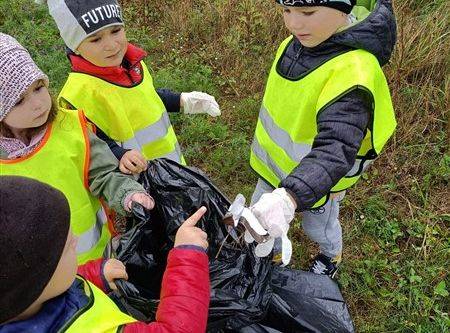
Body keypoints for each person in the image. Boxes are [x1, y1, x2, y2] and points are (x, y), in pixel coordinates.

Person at [249, 0, 397, 277]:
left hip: (320, 181)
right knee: (262, 219)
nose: (293, 24)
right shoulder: (295, 44)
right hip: (273, 167)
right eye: (286, 11)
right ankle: (275, 253)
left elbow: (336, 147)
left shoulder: (353, 71)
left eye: (307, 13)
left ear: (343, 10)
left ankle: (331, 255)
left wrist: (290, 196)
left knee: (317, 227)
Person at [0, 33, 154, 264]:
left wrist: (128, 194)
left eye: (39, 87)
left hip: (100, 261)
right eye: (19, 101)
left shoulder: (71, 127)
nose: (38, 103)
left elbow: (103, 174)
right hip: (39, 286)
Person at [0, 176, 210, 333]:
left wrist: (94, 274)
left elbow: (59, 282)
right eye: (65, 247)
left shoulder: (23, 299)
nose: (75, 239)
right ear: (35, 284)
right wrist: (187, 255)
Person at [44, 0, 221, 175]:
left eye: (116, 31)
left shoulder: (133, 64)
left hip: (173, 170)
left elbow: (144, 98)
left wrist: (182, 101)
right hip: (136, 188)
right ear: (76, 48)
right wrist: (119, 154)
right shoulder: (76, 96)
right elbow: (89, 147)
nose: (112, 45)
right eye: (96, 39)